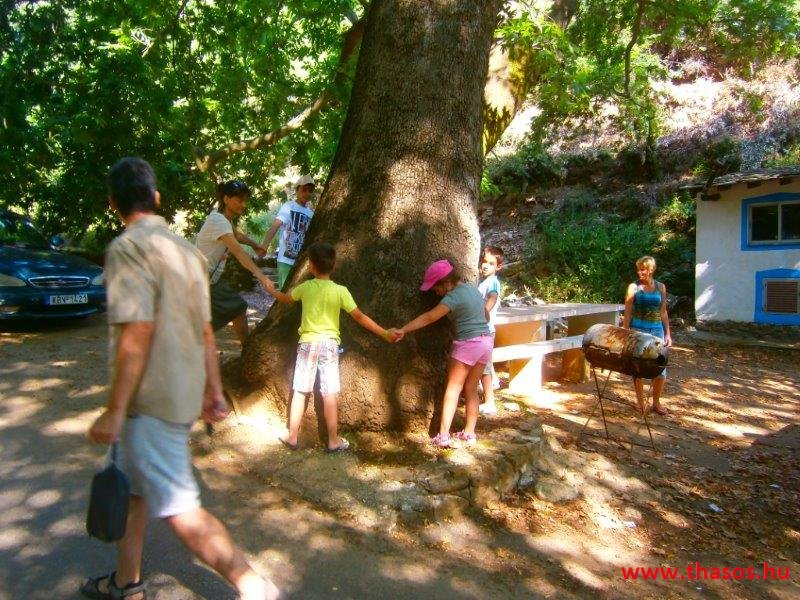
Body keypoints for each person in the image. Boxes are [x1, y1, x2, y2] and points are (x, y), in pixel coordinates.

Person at [82, 158, 280, 600]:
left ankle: (255, 588)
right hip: (180, 394)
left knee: (181, 511)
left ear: (113, 203)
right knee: (135, 493)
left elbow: (137, 331)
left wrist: (113, 411)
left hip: (148, 402)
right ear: (156, 199)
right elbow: (206, 328)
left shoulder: (127, 248)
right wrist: (211, 388)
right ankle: (125, 582)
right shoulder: (186, 252)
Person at [263, 242, 399, 452]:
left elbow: (286, 299)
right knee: (330, 393)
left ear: (311, 266)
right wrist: (384, 332)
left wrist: (272, 290)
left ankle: (292, 435)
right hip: (328, 346)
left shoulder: (305, 288)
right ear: (333, 266)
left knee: (300, 390)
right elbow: (359, 316)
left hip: (308, 344)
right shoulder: (340, 291)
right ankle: (333, 440)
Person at [397, 259, 493, 448]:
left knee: (453, 388)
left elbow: (430, 316)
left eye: (436, 287)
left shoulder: (453, 298)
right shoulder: (472, 289)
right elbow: (486, 315)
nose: (435, 291)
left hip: (468, 343)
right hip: (486, 342)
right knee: (471, 388)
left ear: (447, 282)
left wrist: (403, 330)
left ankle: (443, 435)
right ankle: (469, 433)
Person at [196, 180, 273, 345]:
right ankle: (248, 348)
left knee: (233, 310)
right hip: (203, 282)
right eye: (239, 200)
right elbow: (237, 251)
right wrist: (261, 276)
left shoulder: (222, 220)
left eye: (245, 200)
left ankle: (246, 348)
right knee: (237, 308)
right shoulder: (219, 221)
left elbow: (236, 235)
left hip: (208, 281)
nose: (243, 204)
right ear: (226, 199)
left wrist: (256, 245)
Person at [622, 255, 673, 416]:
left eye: (643, 269)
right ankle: (640, 401)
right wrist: (625, 332)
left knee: (659, 367)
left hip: (657, 331)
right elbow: (628, 312)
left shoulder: (661, 287)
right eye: (638, 269)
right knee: (638, 367)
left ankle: (656, 402)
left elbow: (663, 311)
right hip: (638, 331)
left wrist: (668, 333)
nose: (640, 272)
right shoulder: (633, 287)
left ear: (651, 269)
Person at [262, 175, 315, 289]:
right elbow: (275, 227)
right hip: (286, 259)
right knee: (285, 291)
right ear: (297, 190)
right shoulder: (288, 207)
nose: (307, 193)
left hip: (301, 263)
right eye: (304, 189)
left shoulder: (311, 214)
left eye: (310, 191)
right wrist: (264, 245)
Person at [477, 245, 503, 416]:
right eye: (484, 261)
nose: (486, 265)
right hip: (481, 328)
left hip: (485, 329)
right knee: (482, 365)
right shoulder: (484, 281)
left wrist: (484, 313)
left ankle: (489, 402)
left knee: (485, 367)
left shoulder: (492, 282)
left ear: (498, 267)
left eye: (491, 263)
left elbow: (492, 297)